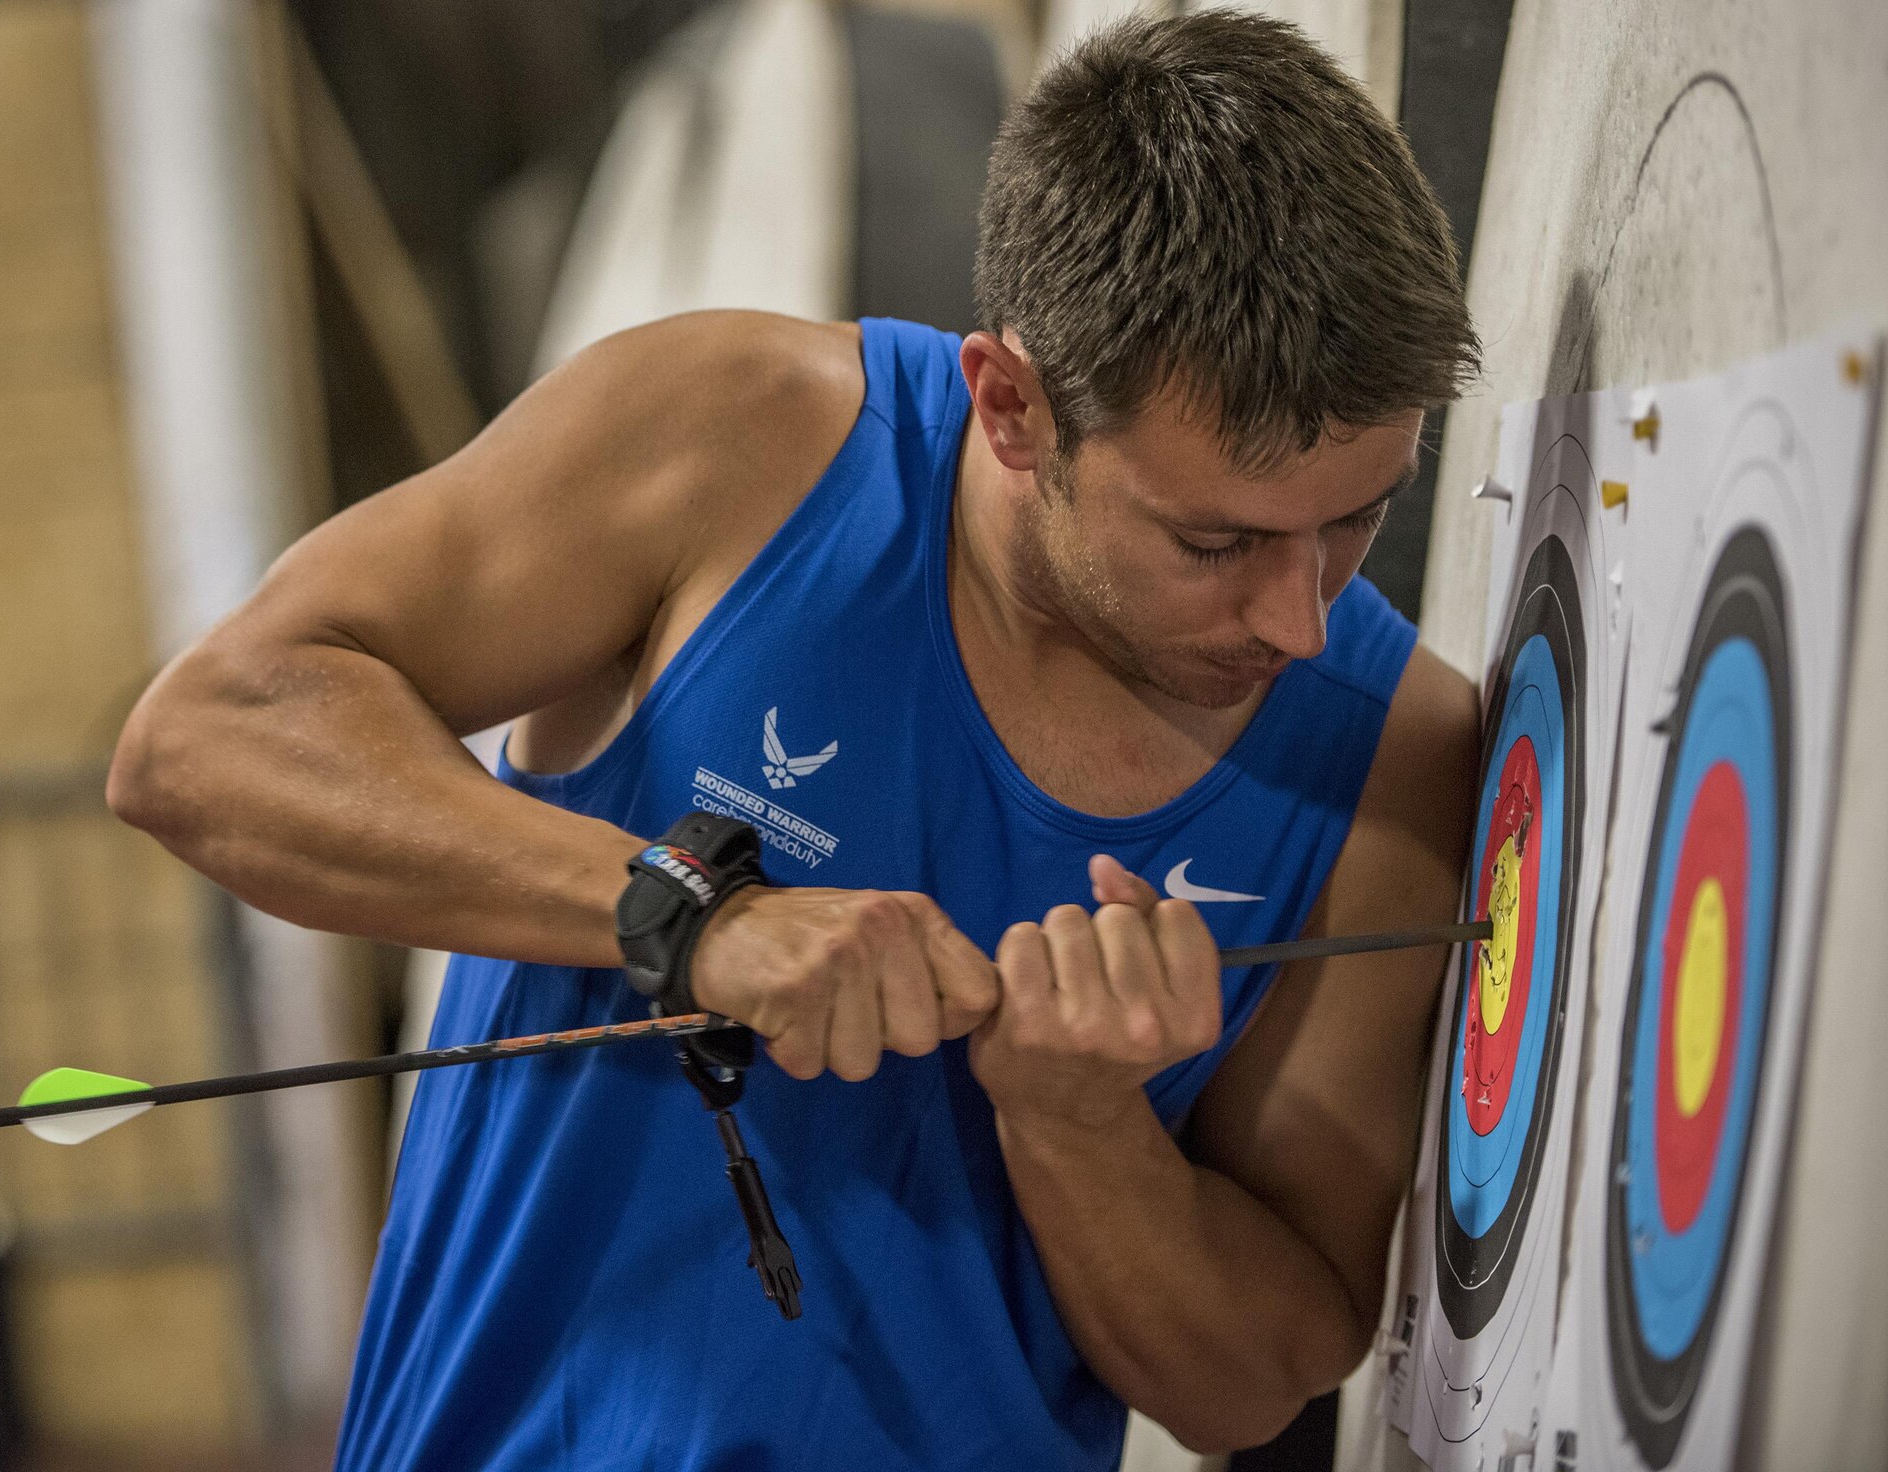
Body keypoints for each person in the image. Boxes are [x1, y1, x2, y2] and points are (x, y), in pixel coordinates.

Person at [108, 11, 1481, 1468]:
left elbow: (1247, 1387)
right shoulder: (737, 444)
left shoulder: (1395, 752)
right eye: (1218, 541)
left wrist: (1083, 1127)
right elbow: (204, 736)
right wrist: (692, 917)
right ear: (1012, 407)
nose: (1302, 620)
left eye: (1357, 521)